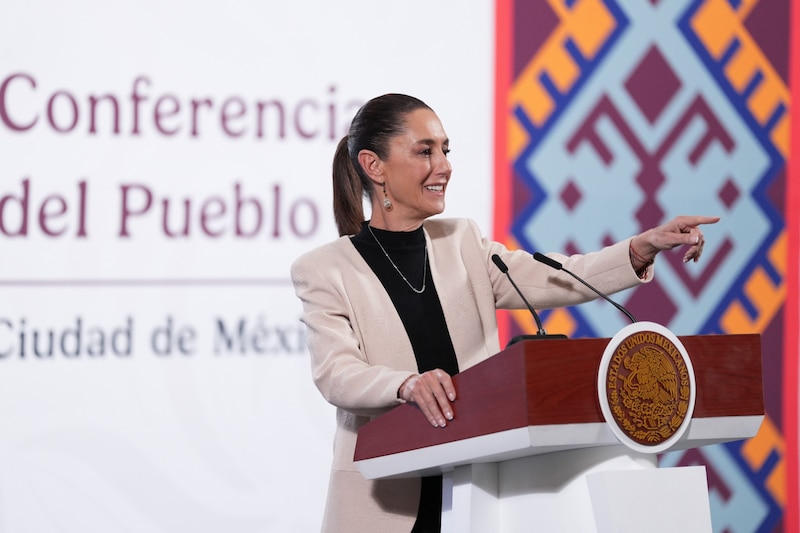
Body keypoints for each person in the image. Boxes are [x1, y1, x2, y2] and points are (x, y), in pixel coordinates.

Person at [290, 93, 719, 532]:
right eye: (425, 151)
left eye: (445, 150)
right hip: (385, 505)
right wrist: (406, 385)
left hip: (478, 495)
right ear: (373, 165)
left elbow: (562, 276)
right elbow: (336, 372)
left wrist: (640, 248)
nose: (444, 165)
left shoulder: (462, 242)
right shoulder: (324, 269)